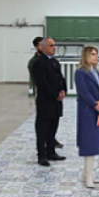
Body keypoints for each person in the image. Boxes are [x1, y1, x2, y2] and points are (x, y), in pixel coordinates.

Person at [75, 46, 99, 188]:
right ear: (86, 56)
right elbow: (83, 92)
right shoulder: (80, 73)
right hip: (87, 112)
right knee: (89, 143)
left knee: (95, 142)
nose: (96, 57)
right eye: (93, 54)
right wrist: (96, 104)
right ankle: (89, 176)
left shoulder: (97, 72)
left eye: (97, 54)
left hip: (98, 110)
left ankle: (85, 173)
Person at [31, 37, 67, 166]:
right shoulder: (39, 63)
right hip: (46, 101)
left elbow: (60, 78)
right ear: (43, 47)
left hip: (56, 101)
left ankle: (51, 152)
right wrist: (55, 95)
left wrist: (63, 90)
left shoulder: (55, 61)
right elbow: (42, 83)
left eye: (54, 45)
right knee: (43, 129)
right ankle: (42, 155)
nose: (54, 48)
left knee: (53, 127)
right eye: (51, 45)